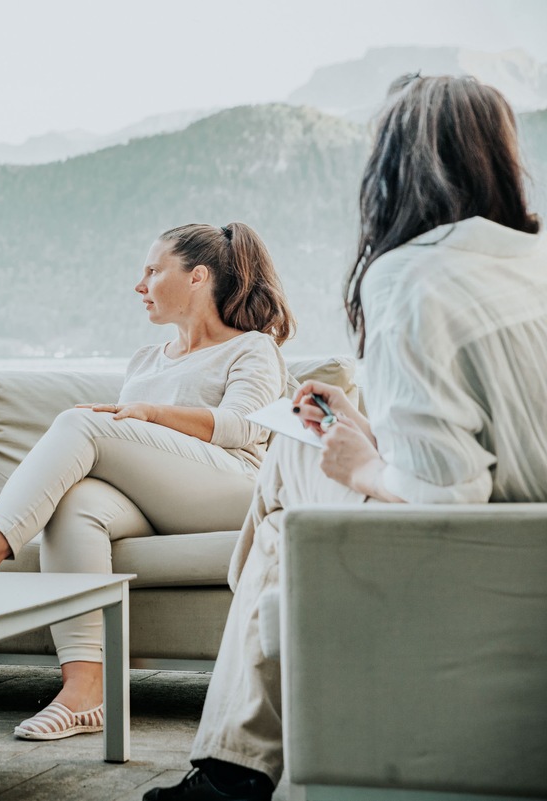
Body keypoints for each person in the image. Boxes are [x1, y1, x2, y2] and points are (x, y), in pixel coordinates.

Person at [143, 75, 547, 801]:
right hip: (525, 531)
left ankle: (233, 759)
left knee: (285, 490)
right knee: (298, 458)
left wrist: (362, 464)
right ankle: (233, 761)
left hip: (475, 552)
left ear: (394, 167)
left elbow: (448, 493)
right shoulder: (532, 259)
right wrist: (370, 431)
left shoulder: (412, 275)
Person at [0, 222, 295, 742]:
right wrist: (141, 418)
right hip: (158, 501)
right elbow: (135, 460)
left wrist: (148, 413)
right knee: (75, 502)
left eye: (152, 271)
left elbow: (246, 427)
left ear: (197, 278)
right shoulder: (146, 359)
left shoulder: (251, 349)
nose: (140, 284)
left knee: (81, 421)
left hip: (230, 488)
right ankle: (85, 690)